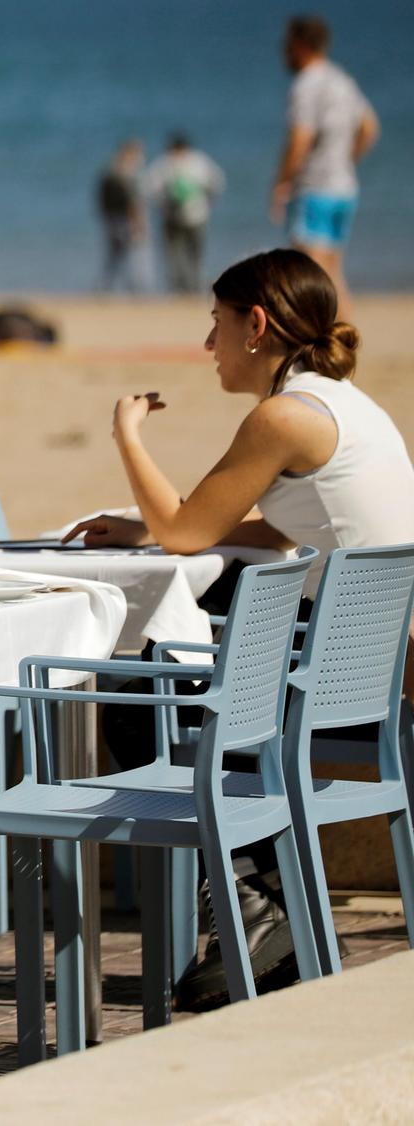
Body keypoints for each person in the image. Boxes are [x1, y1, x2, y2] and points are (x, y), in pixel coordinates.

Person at [65, 248, 414, 1009]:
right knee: (189, 659)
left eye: (216, 324)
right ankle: (264, 906)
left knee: (137, 685)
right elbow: (281, 531)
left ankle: (253, 907)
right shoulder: (342, 405)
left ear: (256, 326)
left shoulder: (282, 415)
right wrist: (148, 530)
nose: (208, 344)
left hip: (336, 678)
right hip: (373, 663)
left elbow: (188, 535)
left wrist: (129, 437)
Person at [272, 14, 379, 312]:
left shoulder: (306, 84)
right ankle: (345, 346)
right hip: (344, 187)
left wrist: (282, 182)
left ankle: (336, 349)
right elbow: (369, 127)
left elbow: (300, 139)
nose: (283, 51)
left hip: (314, 187)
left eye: (287, 45)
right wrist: (347, 161)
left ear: (300, 45)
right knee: (332, 273)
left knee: (312, 277)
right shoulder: (342, 80)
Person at [146, 132, 227, 294]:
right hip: (183, 217)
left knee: (191, 255)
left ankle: (191, 288)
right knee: (178, 256)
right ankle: (183, 288)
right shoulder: (195, 162)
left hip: (193, 217)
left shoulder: (171, 163)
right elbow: (218, 183)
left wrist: (163, 203)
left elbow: (150, 188)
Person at [97, 138, 150, 294]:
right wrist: (138, 222)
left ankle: (105, 287)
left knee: (114, 256)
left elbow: (101, 199)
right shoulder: (127, 175)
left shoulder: (109, 172)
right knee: (133, 256)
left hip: (111, 220)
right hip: (125, 220)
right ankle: (135, 289)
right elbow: (131, 202)